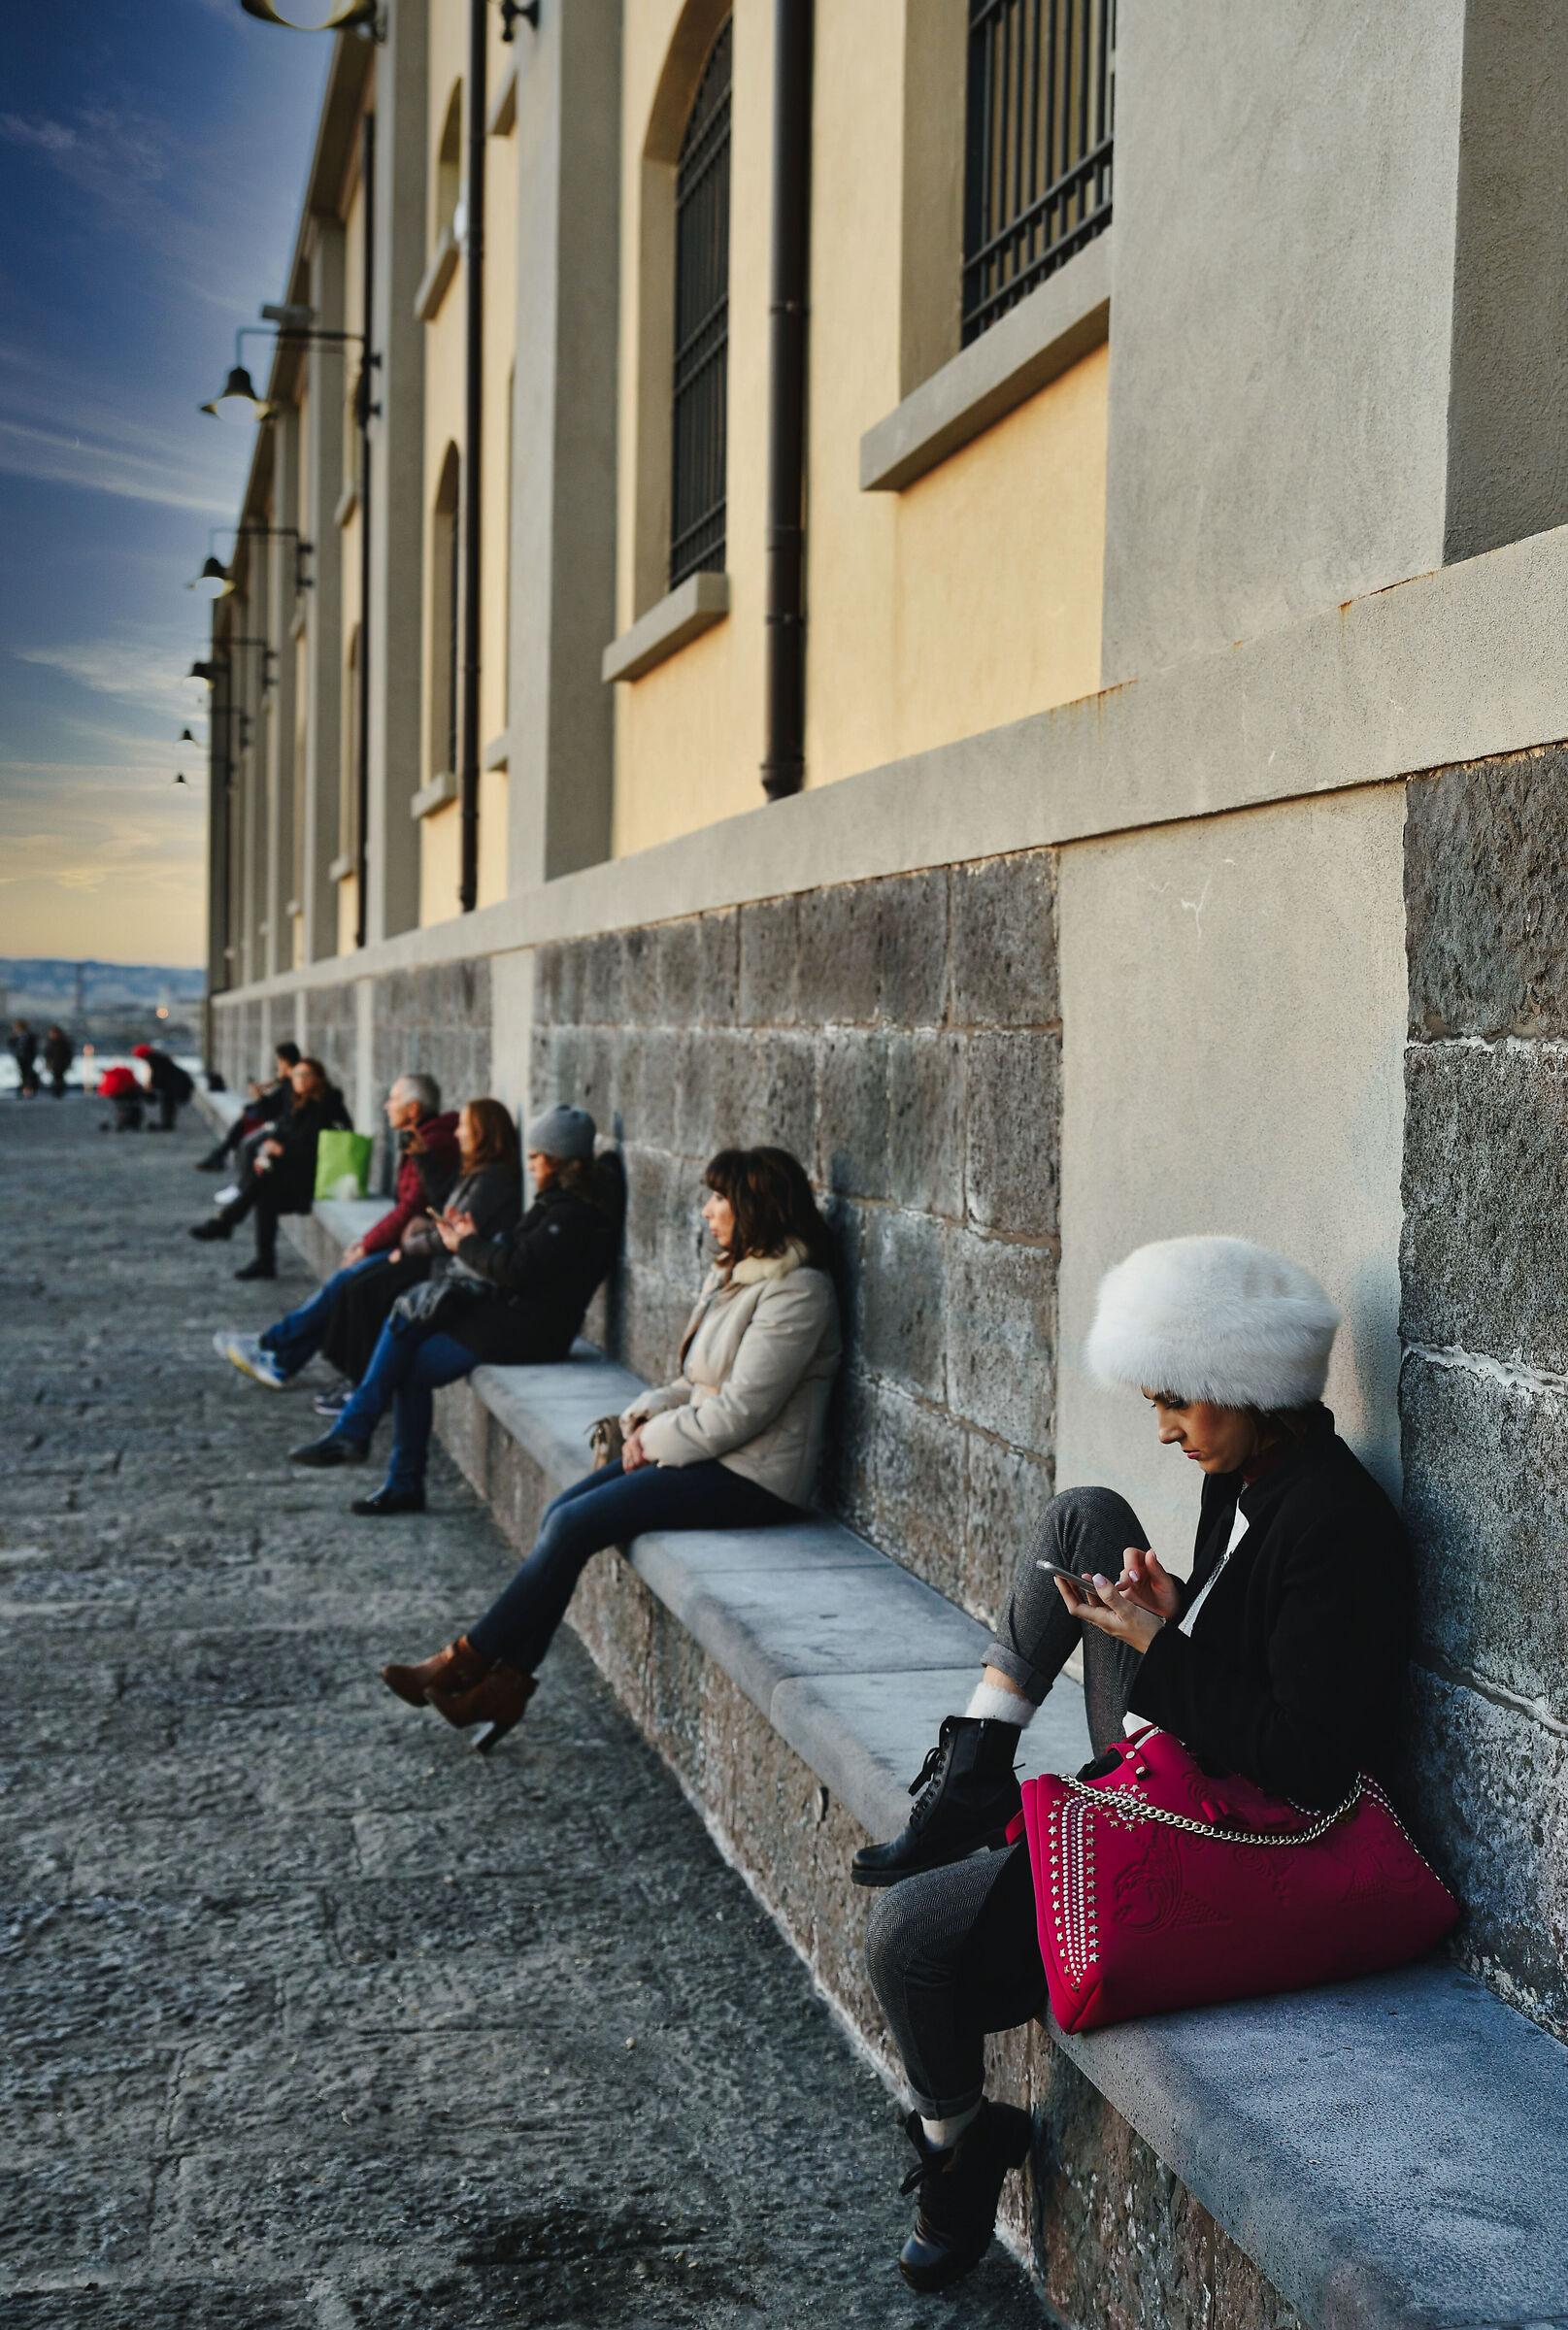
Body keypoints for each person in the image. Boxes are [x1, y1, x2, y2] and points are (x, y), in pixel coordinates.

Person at [854, 1236, 1412, 2294]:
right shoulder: (1248, 1472)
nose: (1163, 1427)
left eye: (1178, 1402)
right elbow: (1243, 1633)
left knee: (904, 1940)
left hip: (1233, 1827)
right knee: (1084, 1519)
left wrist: (1163, 1648)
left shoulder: (1334, 1524)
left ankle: (959, 2150)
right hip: (1179, 1754)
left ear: (1242, 1387)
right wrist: (1171, 1611)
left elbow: (1305, 1761)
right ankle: (976, 1768)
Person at [374, 1142, 842, 1751]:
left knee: (574, 1522)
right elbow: (698, 1381)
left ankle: (468, 1660)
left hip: (753, 1477)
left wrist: (652, 1439)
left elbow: (744, 1410)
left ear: (756, 1205)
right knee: (561, 1513)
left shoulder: (798, 1292)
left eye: (719, 1198)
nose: (706, 1210)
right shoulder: (739, 1274)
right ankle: (505, 1683)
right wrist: (642, 1414)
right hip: (708, 1451)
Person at [285, 1104, 622, 1518]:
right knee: (410, 1331)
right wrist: (471, 1238)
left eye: (537, 1159)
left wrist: (464, 1244)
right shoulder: (560, 1206)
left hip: (529, 1331)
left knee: (410, 1315)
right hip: (515, 1318)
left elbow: (518, 1270)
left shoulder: (573, 1215)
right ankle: (395, 1475)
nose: (532, 1167)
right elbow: (521, 1258)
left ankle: (360, 1433)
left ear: (558, 1161)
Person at [216, 1083, 489, 1394]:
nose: (386, 1105)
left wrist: (368, 1244)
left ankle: (274, 1347)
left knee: (347, 1284)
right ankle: (280, 1357)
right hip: (414, 1241)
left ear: (413, 1109)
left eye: (394, 1100)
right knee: (343, 1283)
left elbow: (415, 1205)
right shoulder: (425, 1139)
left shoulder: (433, 1142)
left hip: (424, 1251)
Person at [188, 1055, 350, 1279]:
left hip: (314, 1177)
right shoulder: (297, 1102)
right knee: (265, 1193)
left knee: (264, 1186)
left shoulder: (327, 1107)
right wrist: (266, 1152)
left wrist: (282, 1150)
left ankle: (226, 1222)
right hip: (292, 1173)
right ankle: (262, 1260)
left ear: (319, 1079)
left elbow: (317, 1149)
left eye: (306, 1075)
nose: (300, 1080)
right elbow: (281, 1133)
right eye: (296, 1075)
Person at [196, 1042, 301, 1172]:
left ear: (285, 1062)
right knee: (243, 1124)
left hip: (279, 1124)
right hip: (275, 1120)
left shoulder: (293, 1084)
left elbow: (272, 1110)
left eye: (278, 1062)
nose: (277, 1066)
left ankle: (221, 1157)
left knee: (244, 1133)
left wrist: (258, 1096)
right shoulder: (286, 1081)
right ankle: (220, 1157)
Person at [134, 1042, 193, 1131]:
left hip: (175, 1085)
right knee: (168, 1104)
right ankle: (167, 1124)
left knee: (168, 1104)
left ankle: (167, 1124)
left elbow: (158, 1075)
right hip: (175, 1084)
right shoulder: (156, 1058)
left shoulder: (155, 1060)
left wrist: (150, 1087)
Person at [96, 1062, 143, 1131]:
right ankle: (129, 1123)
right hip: (125, 1095)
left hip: (116, 1094)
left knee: (122, 1109)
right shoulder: (126, 1076)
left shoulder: (113, 1077)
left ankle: (123, 1122)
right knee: (128, 1108)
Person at [9, 1020, 39, 1098]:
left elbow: (33, 1047)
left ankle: (28, 1090)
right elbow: (12, 1045)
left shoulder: (29, 1036)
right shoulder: (15, 1036)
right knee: (23, 1074)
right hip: (19, 1057)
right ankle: (25, 1090)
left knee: (27, 1074)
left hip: (28, 1057)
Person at [43, 1026, 72, 1099]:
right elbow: (47, 1054)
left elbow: (68, 1054)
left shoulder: (63, 1042)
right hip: (54, 1063)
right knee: (56, 1078)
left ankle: (59, 1091)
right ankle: (56, 1091)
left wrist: (68, 1063)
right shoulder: (51, 1042)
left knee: (59, 1078)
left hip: (61, 1063)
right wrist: (47, 1062)